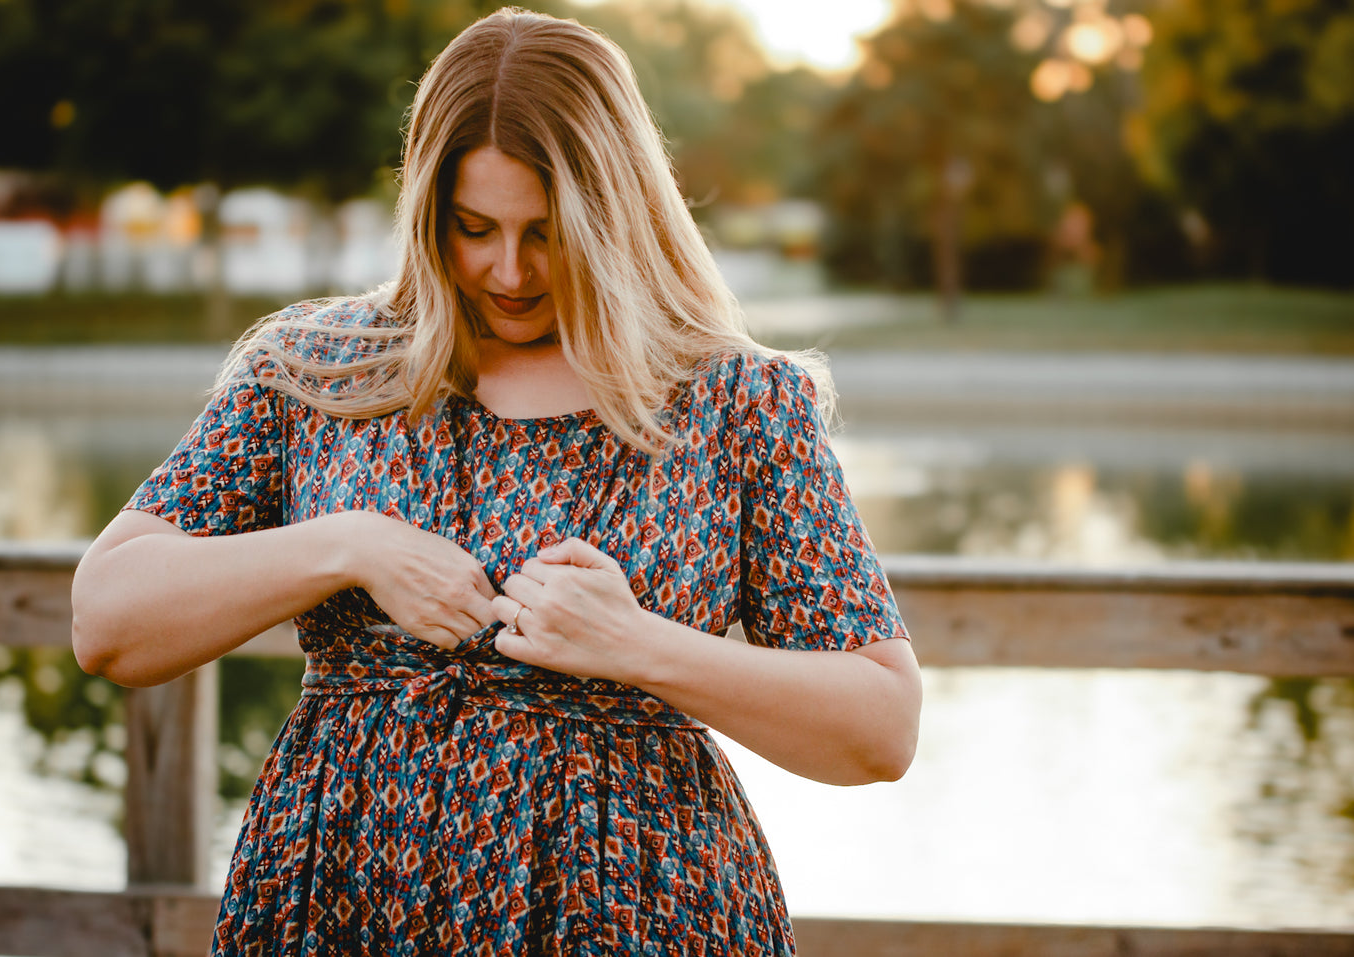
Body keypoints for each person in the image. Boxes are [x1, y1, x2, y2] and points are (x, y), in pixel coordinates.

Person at [71, 7, 921, 955]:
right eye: (473, 228)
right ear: (428, 207)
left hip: (636, 910)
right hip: (343, 901)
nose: (507, 271)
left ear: (615, 215)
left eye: (547, 234)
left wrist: (634, 644)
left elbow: (878, 726)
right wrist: (344, 544)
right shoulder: (316, 370)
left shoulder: (734, 400)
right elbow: (107, 622)